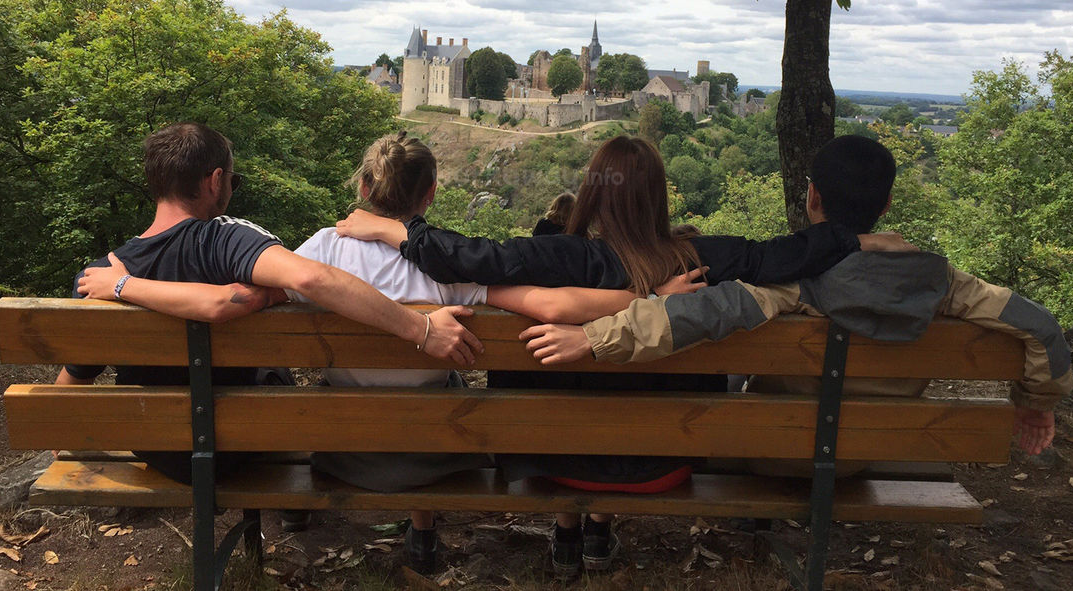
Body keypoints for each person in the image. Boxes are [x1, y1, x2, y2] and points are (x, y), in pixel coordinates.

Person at [79, 131, 671, 573]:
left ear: (363, 189)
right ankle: (425, 533)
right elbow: (550, 303)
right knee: (444, 392)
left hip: (346, 453)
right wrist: (650, 294)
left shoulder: (318, 250)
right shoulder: (445, 272)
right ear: (432, 193)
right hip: (437, 454)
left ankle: (363, 524)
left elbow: (251, 295)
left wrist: (131, 287)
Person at [334, 135, 916, 574]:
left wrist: (398, 234)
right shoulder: (700, 259)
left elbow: (475, 258)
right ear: (658, 197)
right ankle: (594, 532)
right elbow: (784, 256)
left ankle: (568, 531)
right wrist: (855, 238)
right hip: (667, 464)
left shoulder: (557, 258)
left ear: (591, 191)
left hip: (551, 460)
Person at [519, 135, 1073, 460]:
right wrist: (1036, 404)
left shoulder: (792, 283)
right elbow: (1040, 326)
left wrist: (589, 338)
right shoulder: (947, 284)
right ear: (885, 207)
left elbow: (688, 316)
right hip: (880, 448)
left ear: (811, 199)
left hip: (779, 453)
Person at [57, 123, 484, 496]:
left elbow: (71, 381)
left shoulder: (100, 276)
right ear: (215, 180)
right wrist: (421, 329)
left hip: (159, 448)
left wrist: (122, 285)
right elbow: (308, 279)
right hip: (242, 444)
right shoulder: (229, 241)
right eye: (233, 181)